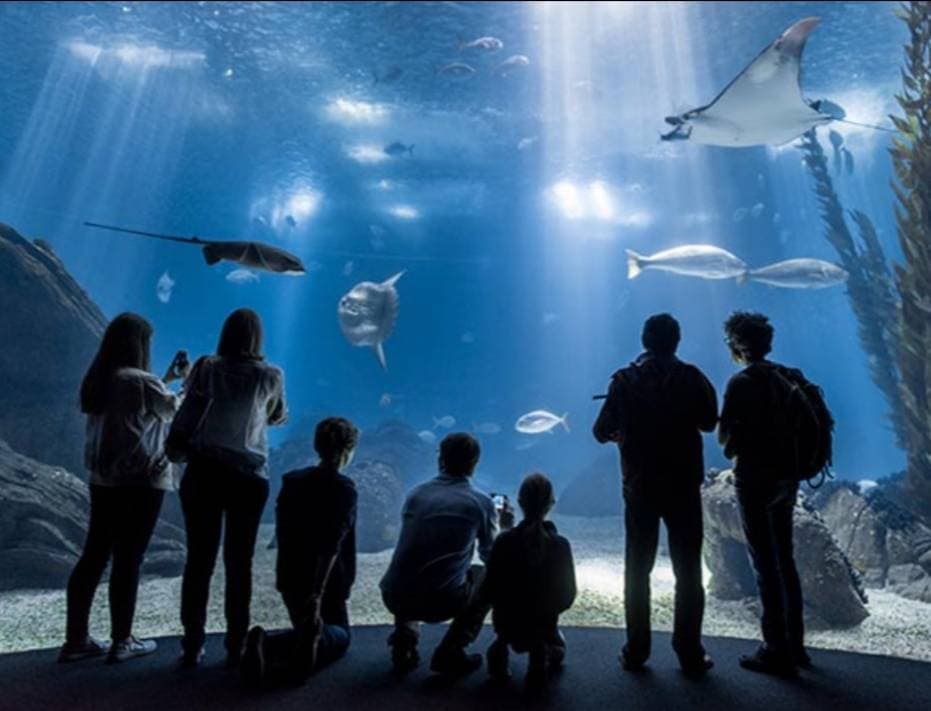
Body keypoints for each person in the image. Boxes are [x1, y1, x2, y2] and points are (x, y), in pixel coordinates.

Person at [593, 313, 717, 676]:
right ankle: (689, 649)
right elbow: (710, 421)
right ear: (676, 341)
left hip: (640, 485)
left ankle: (637, 649)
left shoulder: (624, 379)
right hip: (682, 485)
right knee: (689, 570)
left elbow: (600, 430)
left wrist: (623, 432)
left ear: (645, 340)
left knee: (637, 569)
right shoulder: (692, 376)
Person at [59, 313, 186, 664]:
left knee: (94, 555)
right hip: (141, 482)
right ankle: (122, 640)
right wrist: (184, 383)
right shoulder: (143, 381)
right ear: (140, 344)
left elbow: (140, 410)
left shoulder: (99, 380)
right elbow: (170, 411)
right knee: (129, 559)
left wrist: (167, 379)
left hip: (104, 481)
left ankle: (76, 640)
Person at [177, 308, 287, 669]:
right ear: (258, 338)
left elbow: (190, 408)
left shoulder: (206, 367)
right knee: (239, 563)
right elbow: (275, 415)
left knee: (199, 561)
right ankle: (236, 642)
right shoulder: (270, 375)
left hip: (204, 471)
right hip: (248, 476)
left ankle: (192, 642)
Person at [718, 311, 810, 677]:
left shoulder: (741, 383)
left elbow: (724, 439)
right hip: (788, 479)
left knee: (764, 563)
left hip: (754, 480)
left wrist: (737, 439)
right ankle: (797, 645)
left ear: (739, 345)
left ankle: (775, 649)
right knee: (785, 560)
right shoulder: (787, 378)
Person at [379, 433, 512, 676]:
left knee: (413, 563)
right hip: (440, 603)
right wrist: (505, 530)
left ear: (440, 459)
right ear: (475, 463)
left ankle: (404, 638)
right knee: (487, 576)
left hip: (393, 595)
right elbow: (493, 558)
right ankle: (452, 650)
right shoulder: (480, 503)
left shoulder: (415, 494)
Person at [241, 417, 359, 687]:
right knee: (340, 636)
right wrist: (317, 592)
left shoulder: (292, 481)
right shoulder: (343, 488)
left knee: (306, 630)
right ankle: (283, 648)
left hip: (290, 577)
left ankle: (266, 644)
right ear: (349, 450)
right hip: (326, 585)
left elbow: (283, 531)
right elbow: (331, 545)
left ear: (317, 445)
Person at [484, 473, 576, 691]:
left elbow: (490, 586)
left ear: (519, 502)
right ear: (551, 503)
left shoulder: (504, 541)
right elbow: (567, 596)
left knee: (507, 632)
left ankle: (499, 648)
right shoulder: (560, 545)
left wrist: (505, 530)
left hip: (506, 622)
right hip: (543, 623)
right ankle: (539, 655)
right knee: (559, 651)